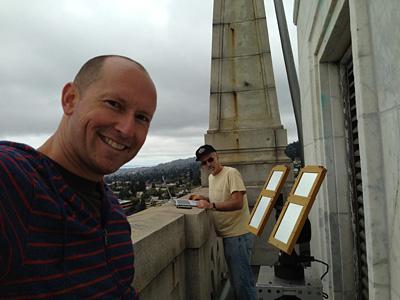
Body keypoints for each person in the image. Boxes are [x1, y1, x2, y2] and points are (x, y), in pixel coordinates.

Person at [0, 55, 157, 299]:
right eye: (114, 104)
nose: (126, 129)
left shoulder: (112, 212)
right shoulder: (13, 179)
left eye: (141, 118)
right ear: (70, 99)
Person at [190, 144, 256, 300]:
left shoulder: (231, 173)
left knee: (243, 284)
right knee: (236, 281)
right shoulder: (212, 178)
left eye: (210, 159)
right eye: (203, 163)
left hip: (238, 236)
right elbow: (220, 199)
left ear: (217, 156)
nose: (208, 165)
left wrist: (211, 205)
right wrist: (204, 199)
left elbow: (238, 202)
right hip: (229, 236)